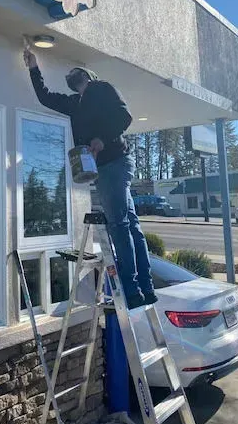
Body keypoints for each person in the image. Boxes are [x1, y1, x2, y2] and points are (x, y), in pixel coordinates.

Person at [23, 47, 156, 309]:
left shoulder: (102, 88)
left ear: (87, 75)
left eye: (74, 72)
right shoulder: (75, 104)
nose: (70, 75)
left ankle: (131, 289)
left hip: (115, 164)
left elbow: (124, 116)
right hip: (103, 169)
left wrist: (101, 140)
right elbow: (45, 97)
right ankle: (145, 288)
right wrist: (33, 68)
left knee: (119, 226)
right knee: (130, 225)